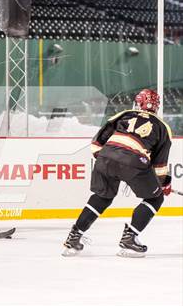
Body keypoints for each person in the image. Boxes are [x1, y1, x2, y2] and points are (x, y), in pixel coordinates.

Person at [63, 89, 173, 257]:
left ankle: (74, 236)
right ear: (156, 107)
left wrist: (109, 159)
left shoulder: (123, 114)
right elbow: (159, 167)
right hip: (134, 161)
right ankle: (130, 239)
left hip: (105, 156)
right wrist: (163, 184)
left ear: (137, 103)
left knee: (102, 197)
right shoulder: (162, 127)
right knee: (155, 198)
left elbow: (96, 142)